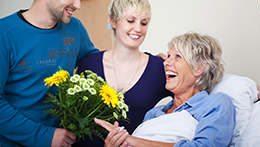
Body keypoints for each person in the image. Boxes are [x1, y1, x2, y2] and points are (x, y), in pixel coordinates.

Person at [0, 0, 99, 146]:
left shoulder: (75, 29)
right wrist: (45, 136)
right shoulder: (4, 34)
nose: (78, 4)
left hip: (63, 140)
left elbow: (97, 63)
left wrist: (148, 61)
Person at [94, 31, 237, 147]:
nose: (166, 62)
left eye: (177, 57)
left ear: (199, 67)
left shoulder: (216, 104)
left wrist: (131, 140)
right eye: (168, 56)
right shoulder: (154, 113)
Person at [74, 0, 173, 146]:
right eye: (131, 20)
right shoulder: (88, 65)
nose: (138, 28)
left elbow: (188, 100)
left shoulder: (158, 68)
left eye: (144, 23)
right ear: (113, 21)